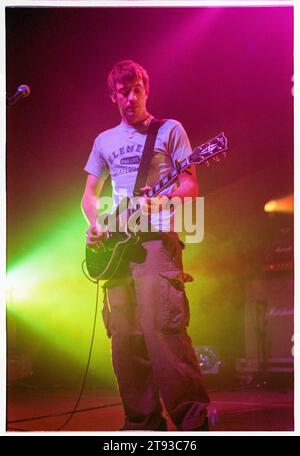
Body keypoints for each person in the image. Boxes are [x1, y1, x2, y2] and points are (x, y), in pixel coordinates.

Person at [81, 60, 210, 431]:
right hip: (118, 248)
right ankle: (141, 423)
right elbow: (90, 194)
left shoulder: (170, 130)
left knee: (164, 335)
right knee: (124, 339)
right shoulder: (104, 141)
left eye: (137, 89)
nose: (131, 97)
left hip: (156, 239)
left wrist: (162, 202)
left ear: (146, 89)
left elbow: (189, 186)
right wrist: (95, 225)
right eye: (124, 92)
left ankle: (192, 424)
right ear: (113, 96)